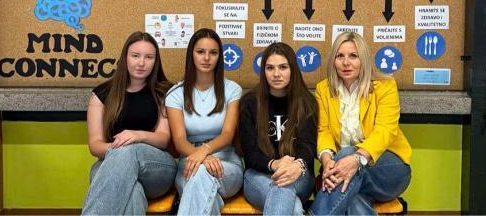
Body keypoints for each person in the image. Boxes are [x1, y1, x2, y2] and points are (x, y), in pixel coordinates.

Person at [309, 32, 412, 215]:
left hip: (389, 170)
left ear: (363, 59)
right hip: (342, 172)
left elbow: (385, 130)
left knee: (347, 154)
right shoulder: (323, 89)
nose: (346, 62)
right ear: (333, 61)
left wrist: (357, 159)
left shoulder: (385, 86)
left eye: (353, 56)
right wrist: (327, 161)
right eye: (340, 56)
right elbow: (323, 131)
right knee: (352, 197)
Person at [82, 32, 177, 215]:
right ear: (125, 57)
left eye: (148, 57)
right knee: (132, 192)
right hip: (114, 160)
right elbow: (95, 145)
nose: (141, 63)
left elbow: (163, 139)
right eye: (135, 56)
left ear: (155, 61)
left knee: (126, 153)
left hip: (157, 168)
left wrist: (136, 136)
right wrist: (120, 148)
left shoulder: (165, 92)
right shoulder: (102, 94)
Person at [166, 28, 243, 215]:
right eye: (200, 52)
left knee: (201, 177)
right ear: (191, 54)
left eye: (213, 53)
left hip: (227, 163)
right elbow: (179, 140)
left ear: (219, 57)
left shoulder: (232, 90)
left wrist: (205, 151)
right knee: (209, 197)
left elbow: (227, 134)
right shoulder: (175, 93)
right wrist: (202, 157)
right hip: (189, 163)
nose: (207, 58)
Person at [240, 42, 318, 215]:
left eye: (283, 67)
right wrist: (274, 164)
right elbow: (250, 153)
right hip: (257, 176)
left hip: (300, 174)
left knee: (283, 189)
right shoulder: (249, 103)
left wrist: (296, 166)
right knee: (293, 207)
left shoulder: (307, 102)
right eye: (270, 68)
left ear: (293, 70)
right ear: (263, 71)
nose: (276, 74)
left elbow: (308, 146)